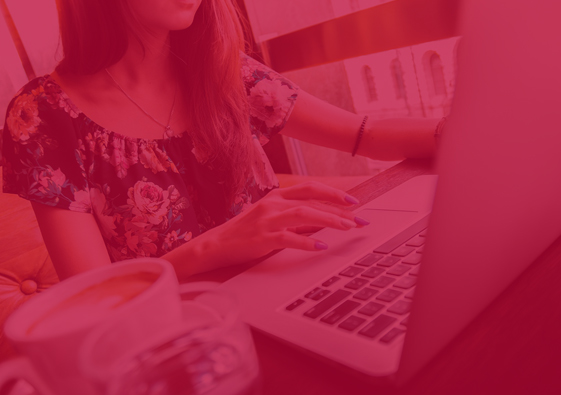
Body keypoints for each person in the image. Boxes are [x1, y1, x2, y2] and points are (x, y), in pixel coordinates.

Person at [1, 0, 440, 281]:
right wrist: (214, 247)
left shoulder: (221, 69)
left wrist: (458, 131)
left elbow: (364, 134)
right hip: (176, 340)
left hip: (288, 287)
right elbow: (94, 298)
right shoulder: (43, 116)